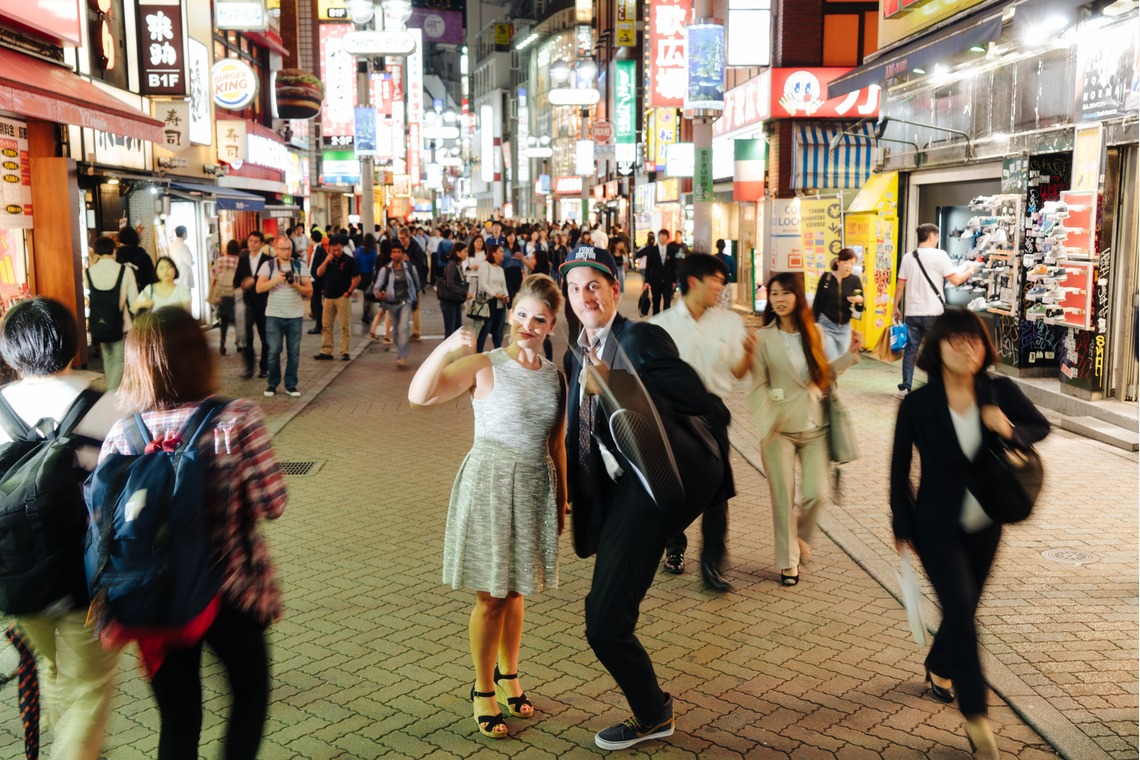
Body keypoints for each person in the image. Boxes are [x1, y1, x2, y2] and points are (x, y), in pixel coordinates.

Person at [561, 247, 732, 751]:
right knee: (605, 617)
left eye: (594, 285)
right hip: (620, 499)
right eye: (575, 289)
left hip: (649, 496)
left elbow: (703, 404)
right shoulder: (579, 353)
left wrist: (614, 384)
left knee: (605, 622)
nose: (584, 296)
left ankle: (654, 714)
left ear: (616, 289)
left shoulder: (638, 337)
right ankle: (653, 709)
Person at [100, 307, 286, 760]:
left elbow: (101, 526)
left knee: (179, 723)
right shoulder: (238, 417)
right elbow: (272, 503)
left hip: (156, 600)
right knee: (248, 700)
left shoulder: (123, 433)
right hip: (234, 592)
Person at [408, 275, 566, 741]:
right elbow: (419, 397)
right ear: (511, 312)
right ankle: (482, 690)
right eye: (522, 314)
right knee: (490, 596)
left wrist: (562, 501)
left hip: (535, 485)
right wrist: (445, 348)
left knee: (516, 590)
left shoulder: (556, 376)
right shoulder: (484, 364)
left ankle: (510, 675)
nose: (528, 325)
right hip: (490, 483)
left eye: (539, 319)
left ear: (552, 325)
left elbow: (556, 444)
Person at [890, 309, 1049, 760]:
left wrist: (1012, 431)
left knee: (964, 608)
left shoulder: (998, 390)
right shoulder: (917, 406)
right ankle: (978, 717)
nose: (968, 349)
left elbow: (1041, 425)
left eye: (976, 341)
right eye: (957, 341)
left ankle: (939, 666)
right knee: (961, 609)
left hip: (988, 522)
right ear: (937, 347)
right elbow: (899, 471)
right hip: (936, 524)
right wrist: (901, 524)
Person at [0, 297, 125, 760]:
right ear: (72, 342)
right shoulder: (109, 404)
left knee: (52, 668)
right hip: (87, 578)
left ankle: (70, 742)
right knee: (89, 687)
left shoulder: (0, 409)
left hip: (17, 576)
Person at [750, 273, 861, 588]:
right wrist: (766, 420)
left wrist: (850, 357)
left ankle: (796, 539)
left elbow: (821, 376)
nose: (780, 299)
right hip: (778, 431)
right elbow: (758, 386)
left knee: (816, 493)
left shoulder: (814, 332)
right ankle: (788, 563)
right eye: (774, 294)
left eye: (786, 293)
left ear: (797, 296)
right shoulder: (763, 338)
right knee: (783, 499)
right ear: (769, 299)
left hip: (815, 428)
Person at [651, 254, 754, 591]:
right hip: (672, 412)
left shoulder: (730, 323)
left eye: (723, 282)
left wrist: (750, 353)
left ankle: (713, 563)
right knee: (673, 485)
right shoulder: (661, 325)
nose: (721, 288)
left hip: (711, 411)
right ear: (694, 282)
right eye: (716, 281)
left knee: (717, 488)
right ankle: (674, 549)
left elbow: (738, 372)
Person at [892, 223, 980, 398]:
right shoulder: (940, 255)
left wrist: (895, 307)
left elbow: (900, 285)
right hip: (933, 313)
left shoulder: (909, 257)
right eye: (937, 236)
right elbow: (955, 281)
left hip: (913, 312)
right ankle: (933, 387)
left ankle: (905, 386)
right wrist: (970, 270)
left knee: (911, 350)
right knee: (935, 350)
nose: (937, 239)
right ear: (931, 236)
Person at [256, 233, 312, 397]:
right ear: (276, 249)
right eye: (282, 249)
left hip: (294, 315)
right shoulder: (268, 265)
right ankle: (272, 384)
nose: (286, 252)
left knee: (293, 352)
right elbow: (259, 288)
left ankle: (291, 385)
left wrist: (294, 284)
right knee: (274, 351)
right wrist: (277, 280)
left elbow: (309, 291)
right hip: (274, 314)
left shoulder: (300, 265)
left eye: (289, 249)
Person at [87, 236, 139, 390]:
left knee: (108, 359)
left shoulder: (89, 272)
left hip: (99, 322)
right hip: (120, 322)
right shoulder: (125, 270)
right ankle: (111, 393)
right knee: (119, 360)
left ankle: (111, 391)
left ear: (96, 252)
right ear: (113, 251)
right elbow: (134, 300)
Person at [370, 243, 421, 368]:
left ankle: (403, 356)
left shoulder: (409, 268)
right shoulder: (385, 270)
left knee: (403, 328)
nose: (397, 254)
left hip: (406, 301)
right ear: (391, 254)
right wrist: (379, 294)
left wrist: (415, 299)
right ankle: (400, 351)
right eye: (394, 252)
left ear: (403, 254)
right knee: (396, 332)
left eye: (399, 252)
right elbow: (377, 286)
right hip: (392, 303)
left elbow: (417, 284)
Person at [813, 248, 865, 361]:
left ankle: (831, 378)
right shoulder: (827, 278)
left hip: (845, 327)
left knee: (841, 360)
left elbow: (859, 308)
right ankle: (831, 378)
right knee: (832, 359)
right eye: (845, 263)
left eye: (851, 263)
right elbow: (817, 302)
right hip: (826, 325)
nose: (848, 266)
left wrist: (859, 301)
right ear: (838, 262)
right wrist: (813, 324)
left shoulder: (854, 280)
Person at [314, 236, 359, 362]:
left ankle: (345, 351)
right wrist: (326, 261)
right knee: (326, 325)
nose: (336, 253)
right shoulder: (327, 259)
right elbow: (318, 273)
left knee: (344, 325)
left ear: (342, 248)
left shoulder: (349, 260)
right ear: (329, 249)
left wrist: (349, 292)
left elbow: (357, 278)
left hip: (342, 297)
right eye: (333, 250)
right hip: (328, 297)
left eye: (338, 250)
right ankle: (326, 351)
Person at [235, 231, 272, 380]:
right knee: (247, 337)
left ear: (262, 244)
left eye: (256, 241)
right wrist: (243, 284)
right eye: (250, 241)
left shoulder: (268, 260)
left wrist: (255, 281)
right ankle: (249, 367)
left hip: (264, 303)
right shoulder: (242, 259)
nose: (252, 244)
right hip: (248, 303)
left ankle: (265, 367)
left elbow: (272, 281)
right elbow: (236, 281)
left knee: (265, 337)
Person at [476, 243, 509, 353]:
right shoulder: (485, 265)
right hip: (489, 301)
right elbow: (483, 284)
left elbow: (503, 286)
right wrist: (494, 294)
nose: (503, 253)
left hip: (500, 302)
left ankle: (499, 352)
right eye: (501, 251)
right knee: (486, 328)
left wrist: (506, 296)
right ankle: (478, 352)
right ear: (494, 253)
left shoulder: (500, 269)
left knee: (497, 330)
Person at [210, 240, 241, 356]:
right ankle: (239, 343)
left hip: (224, 294)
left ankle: (222, 343)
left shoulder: (219, 261)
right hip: (237, 294)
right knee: (238, 320)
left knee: (224, 321)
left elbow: (213, 276)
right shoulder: (240, 261)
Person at [638, 229, 678, 315]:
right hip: (655, 280)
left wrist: (674, 280)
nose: (663, 237)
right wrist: (647, 281)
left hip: (668, 280)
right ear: (658, 237)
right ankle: (656, 323)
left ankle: (666, 323)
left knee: (667, 303)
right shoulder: (652, 250)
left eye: (664, 236)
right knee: (656, 302)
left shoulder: (671, 250)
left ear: (667, 237)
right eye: (661, 235)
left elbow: (674, 266)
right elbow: (648, 266)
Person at [437, 243, 472, 338]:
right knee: (450, 332)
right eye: (464, 251)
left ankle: (454, 351)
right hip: (448, 301)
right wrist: (465, 292)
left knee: (457, 330)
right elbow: (450, 284)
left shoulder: (458, 265)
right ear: (458, 253)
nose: (466, 254)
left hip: (455, 300)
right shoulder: (452, 265)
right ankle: (447, 351)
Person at [114, 225, 158, 290]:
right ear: (136, 238)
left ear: (120, 239)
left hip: (121, 293)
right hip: (142, 293)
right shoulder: (144, 256)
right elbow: (151, 278)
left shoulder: (116, 257)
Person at [307, 230, 327, 335]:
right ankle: (319, 324)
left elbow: (316, 266)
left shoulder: (319, 250)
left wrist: (313, 277)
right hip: (314, 280)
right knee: (316, 303)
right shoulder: (317, 249)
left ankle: (319, 325)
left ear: (312, 238)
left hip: (317, 281)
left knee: (317, 304)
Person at [356, 233, 379, 326]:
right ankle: (365, 316)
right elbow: (375, 265)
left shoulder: (358, 250)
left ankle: (365, 314)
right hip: (369, 275)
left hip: (360, 274)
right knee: (368, 296)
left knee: (365, 296)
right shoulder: (373, 252)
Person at [168, 226, 196, 290]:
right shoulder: (183, 246)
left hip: (176, 276)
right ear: (184, 234)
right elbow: (189, 260)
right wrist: (193, 262)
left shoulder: (171, 245)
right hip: (184, 277)